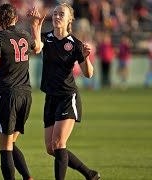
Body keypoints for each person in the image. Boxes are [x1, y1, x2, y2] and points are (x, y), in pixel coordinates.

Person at [29, 4, 100, 180]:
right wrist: (35, 27)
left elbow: (88, 74)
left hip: (68, 97)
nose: (57, 16)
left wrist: (85, 56)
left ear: (70, 19)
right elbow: (37, 48)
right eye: (54, 14)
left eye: (61, 14)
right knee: (50, 148)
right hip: (51, 97)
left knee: (59, 143)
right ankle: (89, 174)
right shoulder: (46, 38)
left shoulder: (75, 44)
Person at [0, 4, 44, 180]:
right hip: (26, 96)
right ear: (16, 19)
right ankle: (28, 177)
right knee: (10, 143)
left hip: (7, 95)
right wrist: (36, 27)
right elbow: (38, 48)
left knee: (5, 147)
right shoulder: (24, 36)